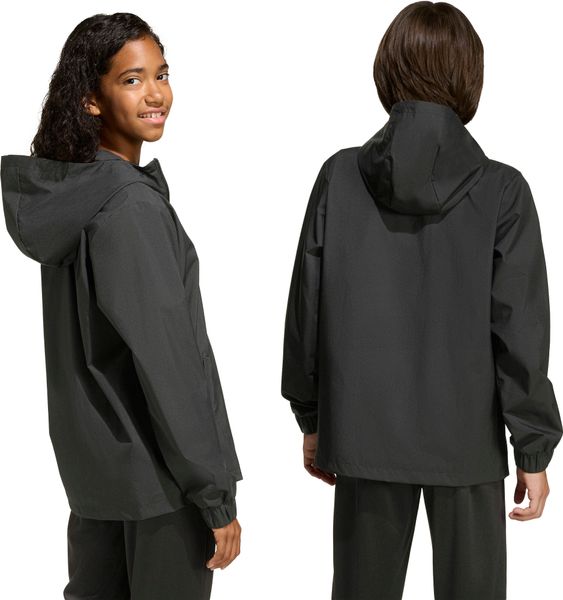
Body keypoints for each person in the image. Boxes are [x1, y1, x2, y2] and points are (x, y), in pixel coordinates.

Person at [280, 2, 563, 599]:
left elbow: (307, 307)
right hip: (466, 445)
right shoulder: (503, 190)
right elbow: (519, 331)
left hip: (364, 435)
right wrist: (532, 448)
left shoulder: (340, 177)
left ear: (388, 69)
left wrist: (313, 418)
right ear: (469, 75)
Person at [1, 12, 242, 600]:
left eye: (162, 74)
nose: (156, 93)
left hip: (97, 484)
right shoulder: (129, 207)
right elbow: (169, 364)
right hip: (162, 490)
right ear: (91, 99)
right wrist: (214, 496)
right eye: (132, 80)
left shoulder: (76, 200)